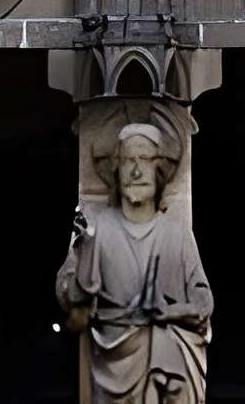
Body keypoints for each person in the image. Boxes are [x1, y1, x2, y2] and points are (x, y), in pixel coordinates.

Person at [58, 125, 213, 404]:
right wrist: (82, 248)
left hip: (164, 351)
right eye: (129, 160)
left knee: (166, 345)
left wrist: (169, 312)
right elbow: (70, 294)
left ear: (160, 169)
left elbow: (203, 301)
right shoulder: (98, 228)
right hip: (111, 351)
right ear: (117, 169)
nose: (137, 171)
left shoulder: (175, 232)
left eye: (145, 160)